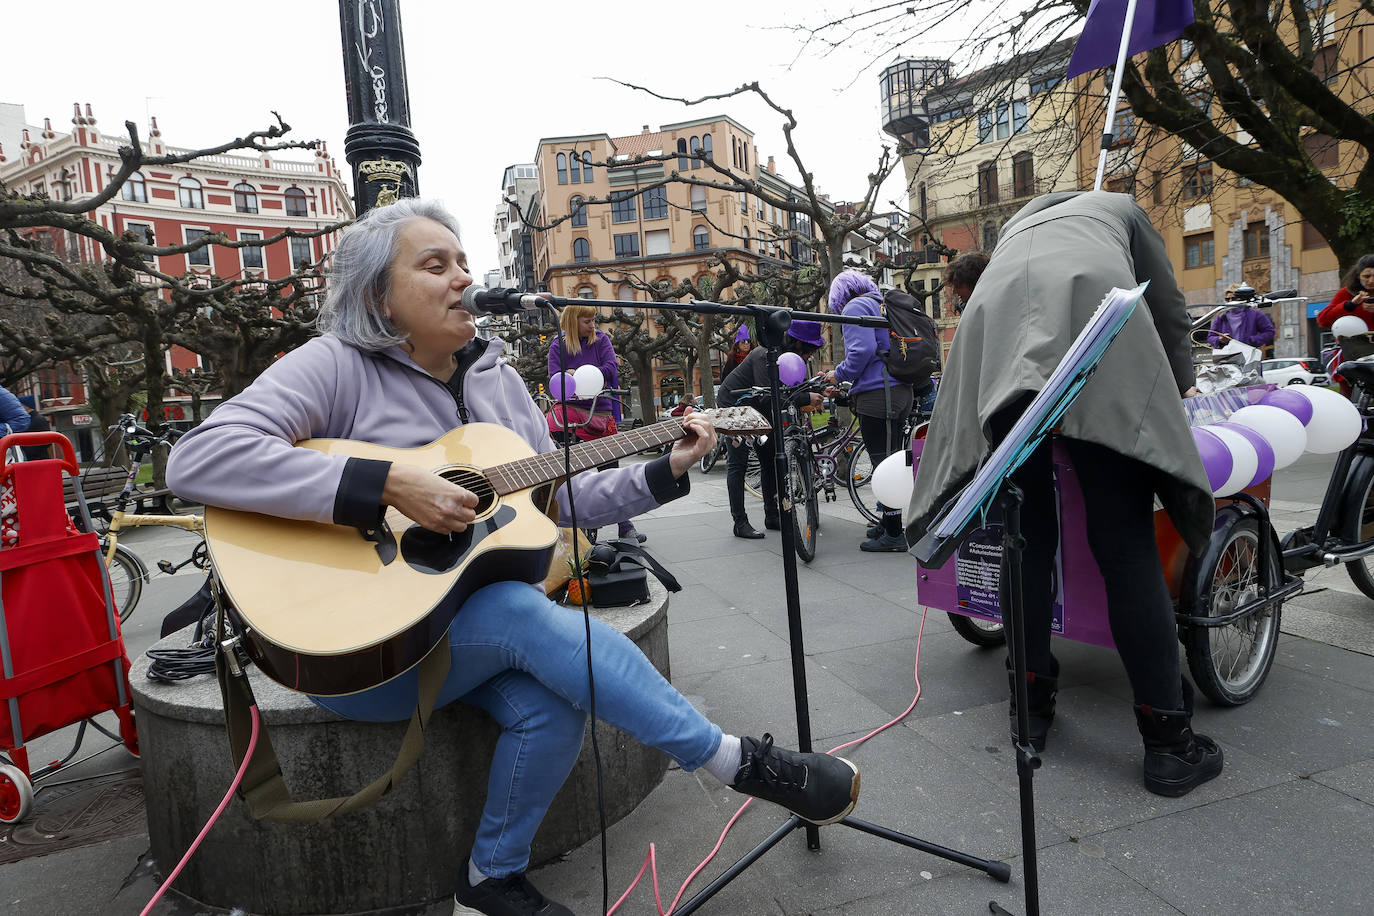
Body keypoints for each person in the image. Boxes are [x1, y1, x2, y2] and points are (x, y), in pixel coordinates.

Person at [165, 199, 860, 916]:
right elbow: (199, 459)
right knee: (520, 611)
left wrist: (667, 470)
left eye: (464, 262)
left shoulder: (496, 381)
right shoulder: (334, 367)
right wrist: (387, 483)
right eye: (434, 265)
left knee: (549, 710)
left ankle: (488, 884)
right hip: (362, 651)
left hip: (459, 637)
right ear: (379, 296)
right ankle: (733, 761)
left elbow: (561, 499)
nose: (462, 277)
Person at [908, 190, 1223, 798]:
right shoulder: (1121, 209)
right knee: (1124, 544)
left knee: (1022, 542)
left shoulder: (1017, 235)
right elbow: (1168, 309)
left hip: (997, 346)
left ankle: (1030, 706)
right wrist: (1176, 388)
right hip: (1097, 337)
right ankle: (1167, 742)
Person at [822, 272, 913, 553]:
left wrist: (838, 375)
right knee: (890, 460)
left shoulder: (856, 307)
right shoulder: (879, 302)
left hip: (880, 393)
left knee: (883, 464)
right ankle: (888, 523)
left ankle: (895, 533)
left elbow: (862, 351)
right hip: (898, 391)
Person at [716, 319, 826, 539]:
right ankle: (740, 522)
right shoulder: (765, 354)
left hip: (760, 407)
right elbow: (770, 395)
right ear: (797, 344)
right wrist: (805, 397)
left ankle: (772, 515)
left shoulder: (791, 358)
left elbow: (794, 386)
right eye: (810, 350)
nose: (810, 356)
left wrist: (820, 389)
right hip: (735, 405)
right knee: (738, 463)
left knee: (770, 459)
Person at [546, 303, 645, 543]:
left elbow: (612, 368)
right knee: (573, 472)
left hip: (599, 410)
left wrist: (579, 373)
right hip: (571, 410)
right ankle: (579, 527)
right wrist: (566, 377)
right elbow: (553, 377)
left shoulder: (601, 340)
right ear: (573, 322)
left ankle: (625, 524)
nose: (593, 325)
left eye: (593, 321)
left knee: (610, 470)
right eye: (587, 321)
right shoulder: (558, 345)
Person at [1316, 254, 1374, 328]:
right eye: (1366, 276)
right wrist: (1350, 305)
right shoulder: (1346, 293)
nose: (1371, 281)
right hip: (1353, 339)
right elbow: (1323, 320)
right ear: (1358, 276)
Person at [1207, 290, 1275, 351]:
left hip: (1248, 354)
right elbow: (1211, 337)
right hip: (1227, 355)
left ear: (1241, 299)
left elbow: (1270, 332)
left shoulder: (1255, 314)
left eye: (1233, 298)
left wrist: (1252, 340)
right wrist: (1220, 339)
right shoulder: (1221, 317)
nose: (1230, 301)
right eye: (1227, 299)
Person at [16, 396, 52, 460]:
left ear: (26, 406)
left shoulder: (34, 420)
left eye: (20, 405)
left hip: (36, 459)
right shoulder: (36, 418)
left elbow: (47, 442)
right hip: (39, 458)